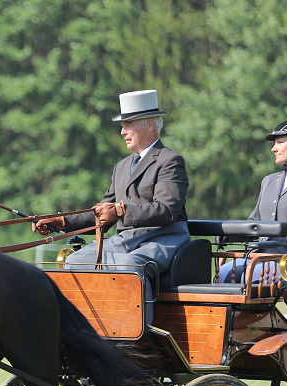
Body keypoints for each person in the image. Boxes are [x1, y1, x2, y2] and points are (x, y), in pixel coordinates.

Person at [32, 89, 190, 310]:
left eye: (129, 125)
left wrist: (121, 211)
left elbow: (167, 210)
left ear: (151, 124)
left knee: (130, 265)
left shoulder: (169, 160)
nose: (122, 132)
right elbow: (101, 212)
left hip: (163, 239)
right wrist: (62, 222)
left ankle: (139, 336)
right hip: (126, 240)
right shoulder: (122, 167)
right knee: (75, 261)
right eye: (122, 126)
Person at [217, 119, 287, 283]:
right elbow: (254, 222)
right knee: (223, 273)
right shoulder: (268, 180)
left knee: (246, 277)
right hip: (258, 256)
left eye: (280, 142)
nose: (273, 148)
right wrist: (230, 234)